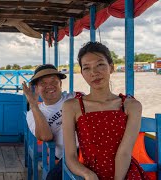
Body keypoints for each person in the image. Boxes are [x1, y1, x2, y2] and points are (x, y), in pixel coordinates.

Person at [62, 41, 149, 180]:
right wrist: (88, 174)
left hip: (125, 173)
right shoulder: (71, 107)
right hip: (91, 174)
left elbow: (124, 152)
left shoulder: (131, 106)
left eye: (100, 65)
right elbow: (71, 157)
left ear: (111, 67)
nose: (94, 73)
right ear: (82, 73)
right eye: (86, 68)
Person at [22, 64, 77, 180]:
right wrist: (33, 104)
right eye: (43, 83)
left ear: (60, 84)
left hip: (92, 146)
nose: (50, 86)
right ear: (36, 88)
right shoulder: (33, 114)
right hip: (68, 156)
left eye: (54, 81)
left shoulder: (75, 97)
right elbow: (45, 136)